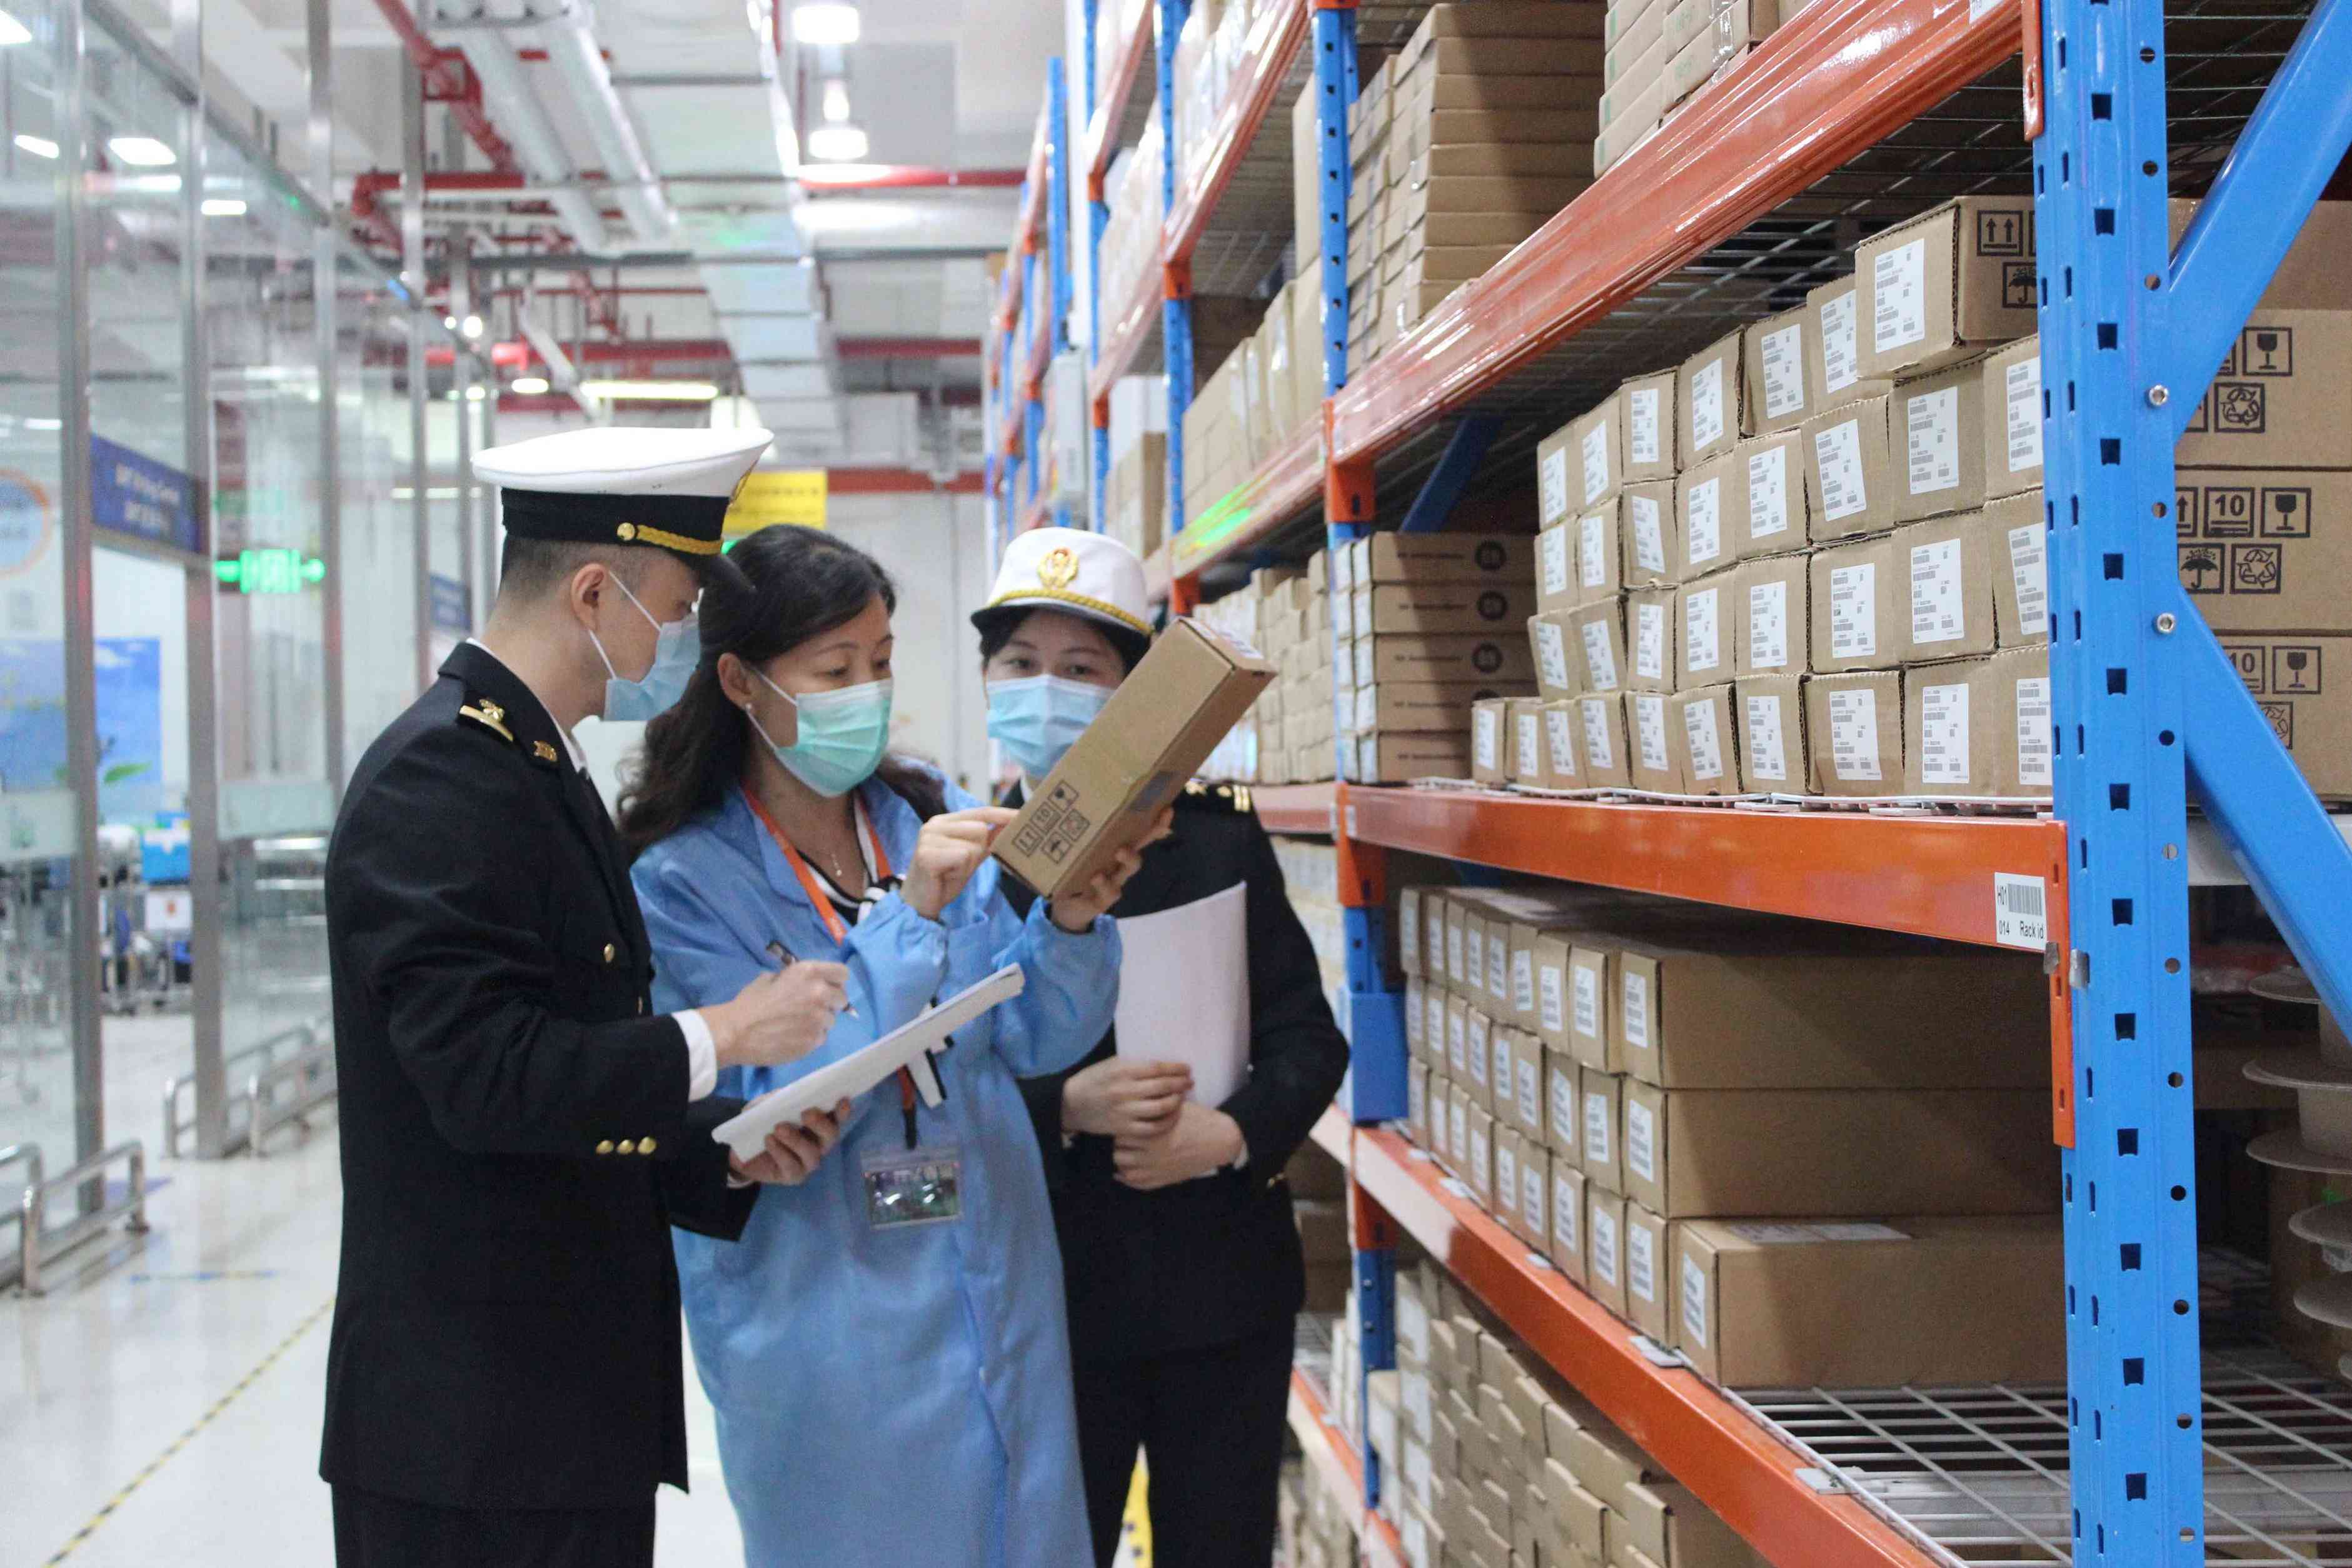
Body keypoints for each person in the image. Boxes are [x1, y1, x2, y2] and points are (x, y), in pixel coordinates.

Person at [320, 426, 859, 1568]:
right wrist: (724, 1033)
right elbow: (486, 1081)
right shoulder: (442, 778)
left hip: (555, 1416)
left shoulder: (534, 766)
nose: (684, 640)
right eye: (678, 608)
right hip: (472, 1440)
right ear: (595, 593)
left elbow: (569, 1088)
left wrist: (723, 1149)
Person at [619, 523, 1158, 1568]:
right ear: (738, 681)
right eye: (835, 672)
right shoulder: (681, 882)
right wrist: (909, 918)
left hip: (995, 1263)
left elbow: (1033, 1038)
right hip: (824, 1308)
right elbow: (779, 1089)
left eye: (881, 663)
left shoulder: (925, 812)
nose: (865, 693)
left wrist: (1072, 923)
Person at [978, 529, 1352, 1568]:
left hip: (1218, 1289)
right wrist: (1063, 1106)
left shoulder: (1218, 841)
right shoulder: (967, 866)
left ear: (1134, 697)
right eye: (1019, 664)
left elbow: (1308, 1039)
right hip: (1049, 1300)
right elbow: (937, 1085)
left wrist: (1226, 1136)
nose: (1045, 691)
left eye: (1080, 669)